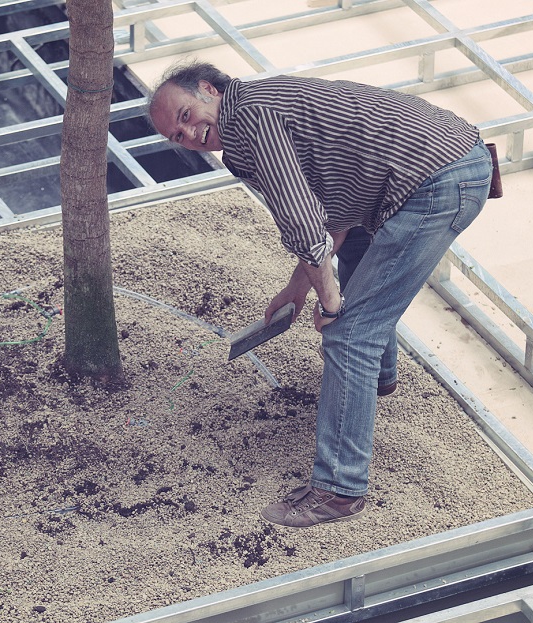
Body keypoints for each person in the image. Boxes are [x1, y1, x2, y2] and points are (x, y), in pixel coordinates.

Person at [147, 60, 493, 528]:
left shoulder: (247, 117)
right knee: (361, 258)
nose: (188, 135)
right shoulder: (260, 108)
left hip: (436, 180)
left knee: (349, 335)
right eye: (177, 136)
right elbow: (334, 209)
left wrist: (329, 301)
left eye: (185, 116)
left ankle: (339, 490)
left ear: (209, 89)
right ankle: (374, 381)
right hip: (439, 162)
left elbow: (301, 220)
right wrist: (298, 287)